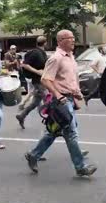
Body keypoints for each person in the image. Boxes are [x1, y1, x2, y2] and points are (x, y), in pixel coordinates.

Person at [24, 30, 97, 177]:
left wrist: (77, 93)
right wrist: (58, 95)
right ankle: (80, 167)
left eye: (73, 38)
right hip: (61, 101)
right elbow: (45, 79)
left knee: (54, 132)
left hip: (69, 98)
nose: (73, 41)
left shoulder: (70, 57)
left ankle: (34, 154)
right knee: (71, 134)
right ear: (61, 41)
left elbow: (69, 79)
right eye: (70, 38)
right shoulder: (56, 58)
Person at [15, 36, 48, 129]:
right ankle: (51, 120)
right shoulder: (35, 53)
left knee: (35, 102)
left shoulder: (42, 53)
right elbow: (24, 64)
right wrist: (37, 71)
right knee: (48, 99)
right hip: (37, 81)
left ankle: (22, 115)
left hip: (42, 80)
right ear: (45, 43)